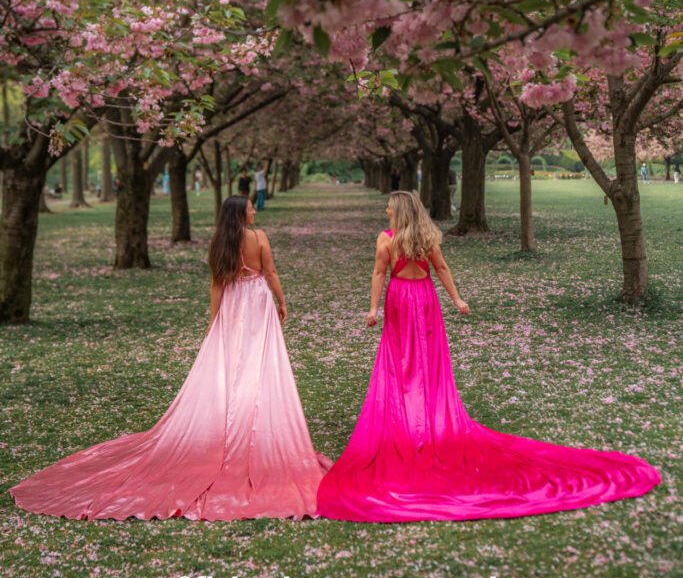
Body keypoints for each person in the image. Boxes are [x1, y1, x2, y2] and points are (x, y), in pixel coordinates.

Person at [315, 190, 661, 523]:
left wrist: (375, 308)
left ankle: (410, 420)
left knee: (403, 362)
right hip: (423, 300)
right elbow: (442, 270)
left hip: (401, 299)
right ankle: (419, 420)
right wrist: (456, 300)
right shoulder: (425, 238)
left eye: (390, 207)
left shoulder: (386, 240)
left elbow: (380, 274)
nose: (387, 211)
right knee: (424, 362)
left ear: (400, 211)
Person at [9, 196, 332, 521]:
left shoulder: (221, 242)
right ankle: (251, 419)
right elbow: (271, 271)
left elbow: (217, 283)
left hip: (234, 303)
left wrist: (214, 321)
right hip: (257, 301)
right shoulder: (259, 237)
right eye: (250, 207)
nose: (254, 210)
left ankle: (237, 414)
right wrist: (282, 300)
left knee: (234, 361)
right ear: (240, 212)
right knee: (256, 360)